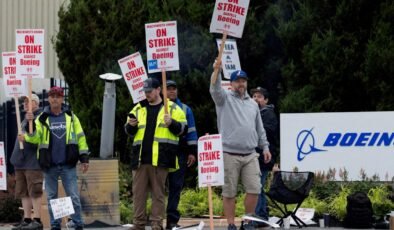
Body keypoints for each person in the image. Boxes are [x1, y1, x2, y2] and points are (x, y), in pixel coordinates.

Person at [209, 65, 271, 230]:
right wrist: (216, 71)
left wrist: (265, 147)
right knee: (229, 192)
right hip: (229, 153)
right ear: (231, 84)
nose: (240, 84)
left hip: (251, 154)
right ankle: (231, 224)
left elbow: (259, 128)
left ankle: (248, 220)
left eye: (243, 80)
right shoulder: (223, 99)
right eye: (237, 81)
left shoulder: (253, 104)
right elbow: (214, 88)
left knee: (255, 189)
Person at [20, 86, 89, 230]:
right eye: (52, 96)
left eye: (58, 96)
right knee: (52, 198)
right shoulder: (42, 118)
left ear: (62, 98)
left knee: (74, 196)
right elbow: (35, 138)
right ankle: (55, 225)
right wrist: (27, 131)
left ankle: (78, 224)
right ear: (49, 99)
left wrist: (84, 158)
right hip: (49, 164)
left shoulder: (71, 116)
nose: (55, 99)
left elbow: (81, 138)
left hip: (68, 164)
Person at [124, 78, 187, 230]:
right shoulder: (137, 108)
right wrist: (130, 126)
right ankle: (138, 224)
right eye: (145, 92)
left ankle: (156, 224)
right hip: (140, 159)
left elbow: (182, 130)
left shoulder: (172, 108)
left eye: (150, 91)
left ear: (158, 90)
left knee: (158, 194)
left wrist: (172, 122)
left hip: (161, 158)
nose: (147, 94)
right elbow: (129, 131)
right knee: (138, 194)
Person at [165, 80, 198, 230]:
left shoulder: (185, 109)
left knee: (176, 186)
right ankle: (156, 219)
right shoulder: (158, 107)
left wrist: (192, 152)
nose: (171, 91)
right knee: (158, 187)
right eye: (168, 89)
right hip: (160, 152)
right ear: (162, 91)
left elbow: (191, 131)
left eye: (174, 89)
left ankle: (172, 221)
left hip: (180, 152)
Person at [11, 94, 43, 230]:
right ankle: (27, 219)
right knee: (23, 192)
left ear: (36, 104)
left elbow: (37, 136)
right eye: (24, 102)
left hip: (32, 163)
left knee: (34, 191)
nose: (25, 104)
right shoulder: (24, 119)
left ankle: (37, 220)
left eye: (28, 101)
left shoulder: (39, 118)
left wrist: (33, 121)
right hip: (21, 163)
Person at [250, 87, 279, 225]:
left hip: (264, 157)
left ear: (266, 100)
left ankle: (259, 217)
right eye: (254, 96)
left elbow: (265, 133)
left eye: (259, 96)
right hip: (255, 157)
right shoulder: (252, 113)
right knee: (258, 187)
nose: (256, 99)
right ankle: (262, 215)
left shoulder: (268, 114)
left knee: (257, 186)